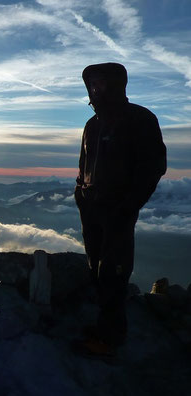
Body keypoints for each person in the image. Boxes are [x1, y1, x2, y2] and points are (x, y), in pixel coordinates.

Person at [74, 62, 167, 356]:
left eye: (101, 83)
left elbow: (152, 167)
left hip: (119, 209)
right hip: (91, 209)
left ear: (117, 84)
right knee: (96, 266)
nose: (95, 89)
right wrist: (80, 193)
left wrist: (128, 206)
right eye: (92, 84)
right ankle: (104, 324)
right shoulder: (92, 125)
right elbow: (83, 165)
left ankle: (110, 338)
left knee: (114, 271)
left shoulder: (140, 119)